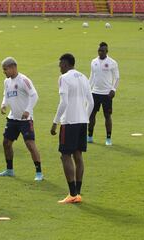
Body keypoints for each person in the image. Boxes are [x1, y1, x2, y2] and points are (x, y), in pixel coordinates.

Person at [51, 53, 94, 204]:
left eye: (60, 64)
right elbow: (91, 102)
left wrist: (55, 122)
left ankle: (72, 193)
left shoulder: (64, 78)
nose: (59, 67)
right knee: (78, 155)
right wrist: (85, 117)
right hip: (83, 122)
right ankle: (78, 193)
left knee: (65, 155)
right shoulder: (84, 77)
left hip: (69, 122)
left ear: (66, 64)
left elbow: (63, 102)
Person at [0, 57, 43, 181]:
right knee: (6, 143)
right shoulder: (7, 81)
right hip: (12, 118)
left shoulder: (24, 80)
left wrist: (28, 110)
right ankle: (9, 170)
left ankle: (39, 172)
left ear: (12, 67)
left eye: (5, 69)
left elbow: (34, 95)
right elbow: (6, 95)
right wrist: (3, 104)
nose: (4, 72)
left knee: (30, 145)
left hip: (25, 120)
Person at [87, 42, 120, 146]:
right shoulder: (93, 62)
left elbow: (117, 77)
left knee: (107, 116)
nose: (100, 52)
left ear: (107, 51)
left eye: (102, 51)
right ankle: (90, 136)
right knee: (91, 115)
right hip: (95, 92)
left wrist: (113, 89)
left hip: (107, 94)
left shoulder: (112, 62)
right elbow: (92, 76)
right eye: (99, 50)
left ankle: (108, 138)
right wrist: (88, 89)